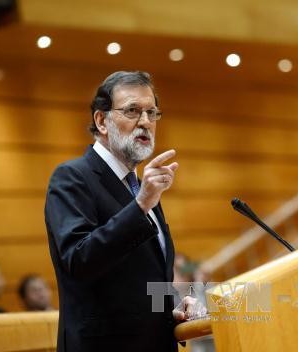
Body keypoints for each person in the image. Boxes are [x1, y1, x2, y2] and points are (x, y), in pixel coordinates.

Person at [45, 71, 198, 352]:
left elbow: (136, 279)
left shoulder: (139, 187)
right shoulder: (72, 177)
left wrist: (171, 308)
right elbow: (79, 260)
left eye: (152, 113)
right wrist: (140, 205)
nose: (145, 122)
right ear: (101, 121)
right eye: (132, 111)